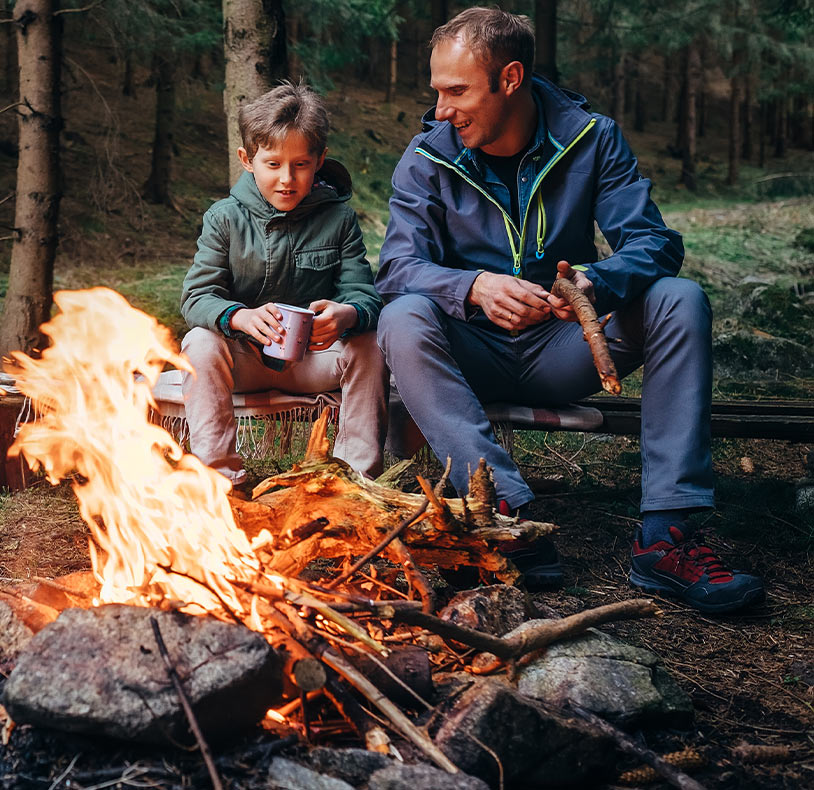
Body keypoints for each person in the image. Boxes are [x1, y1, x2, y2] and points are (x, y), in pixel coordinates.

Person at [376, 7, 763, 612]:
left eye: (457, 91)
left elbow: (655, 243)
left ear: (509, 79)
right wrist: (474, 286)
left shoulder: (591, 137)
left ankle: (669, 536)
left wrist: (592, 282)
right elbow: (396, 270)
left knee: (679, 300)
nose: (442, 110)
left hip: (567, 349)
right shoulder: (428, 157)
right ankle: (504, 513)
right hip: (467, 353)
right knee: (401, 317)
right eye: (438, 92)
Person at [180, 82, 386, 494]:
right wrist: (239, 317)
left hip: (315, 361)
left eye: (301, 165)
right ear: (247, 160)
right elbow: (196, 297)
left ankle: (354, 482)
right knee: (199, 342)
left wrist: (347, 314)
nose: (287, 179)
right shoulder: (224, 219)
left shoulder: (339, 219)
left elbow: (364, 295)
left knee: (370, 343)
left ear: (320, 161)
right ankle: (220, 482)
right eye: (272, 164)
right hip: (246, 361)